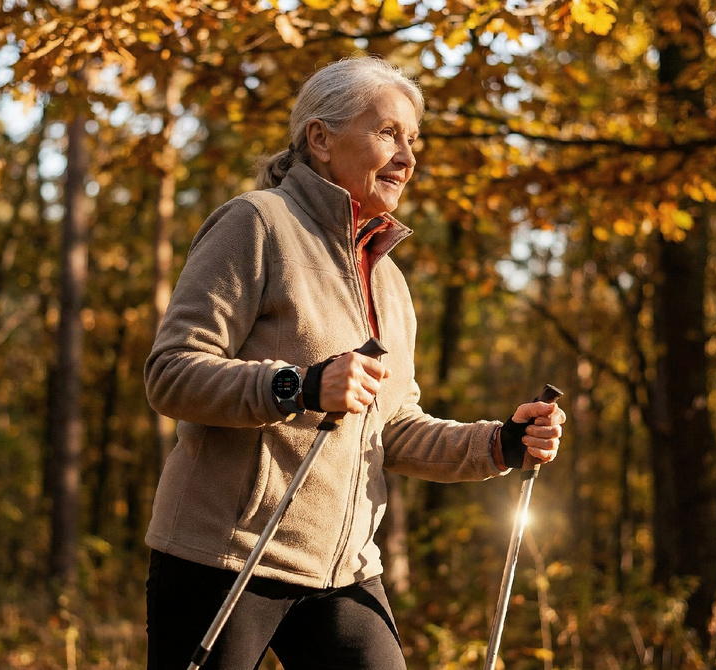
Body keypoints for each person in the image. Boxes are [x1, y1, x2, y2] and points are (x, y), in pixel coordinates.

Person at [143, 56, 567, 670]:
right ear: (320, 138)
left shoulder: (389, 281)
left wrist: (501, 443)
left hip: (344, 570)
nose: (407, 157)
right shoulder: (256, 224)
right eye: (388, 133)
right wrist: (299, 386)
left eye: (413, 140)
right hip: (224, 555)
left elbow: (391, 428)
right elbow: (171, 374)